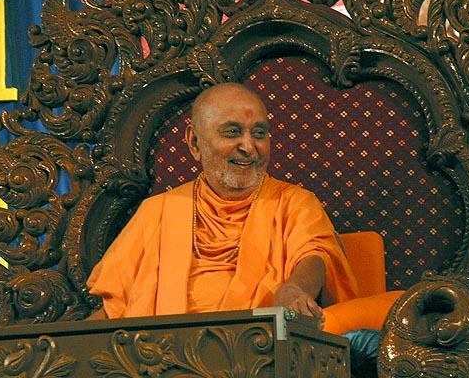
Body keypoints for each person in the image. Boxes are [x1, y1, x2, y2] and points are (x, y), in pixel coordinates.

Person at [86, 82, 379, 376]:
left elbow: (315, 255)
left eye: (259, 133)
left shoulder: (294, 202)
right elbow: (114, 310)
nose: (249, 147)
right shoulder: (157, 211)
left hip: (258, 358)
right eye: (232, 132)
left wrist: (295, 288)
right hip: (158, 362)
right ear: (194, 143)